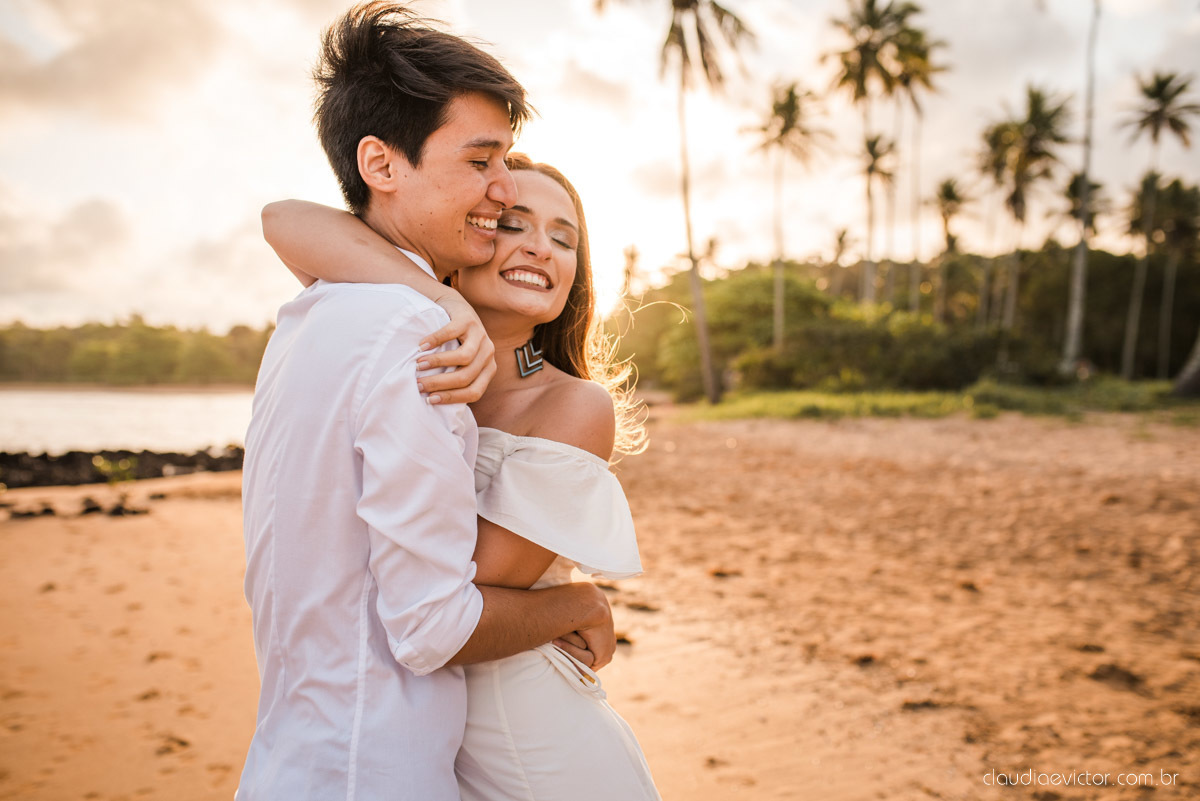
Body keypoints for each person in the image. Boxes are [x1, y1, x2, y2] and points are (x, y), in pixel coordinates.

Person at [237, 5, 617, 800]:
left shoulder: (319, 313)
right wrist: (577, 600)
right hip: (376, 766)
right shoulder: (425, 340)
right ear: (380, 163)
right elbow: (437, 621)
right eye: (485, 165)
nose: (502, 192)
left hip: (300, 756)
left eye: (563, 236)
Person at [264, 153, 661, 800]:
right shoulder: (414, 362)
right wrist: (441, 295)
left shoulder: (571, 404)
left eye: (565, 239)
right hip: (432, 749)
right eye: (512, 223)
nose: (541, 247)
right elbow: (283, 220)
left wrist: (582, 602)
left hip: (537, 748)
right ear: (468, 235)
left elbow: (456, 596)